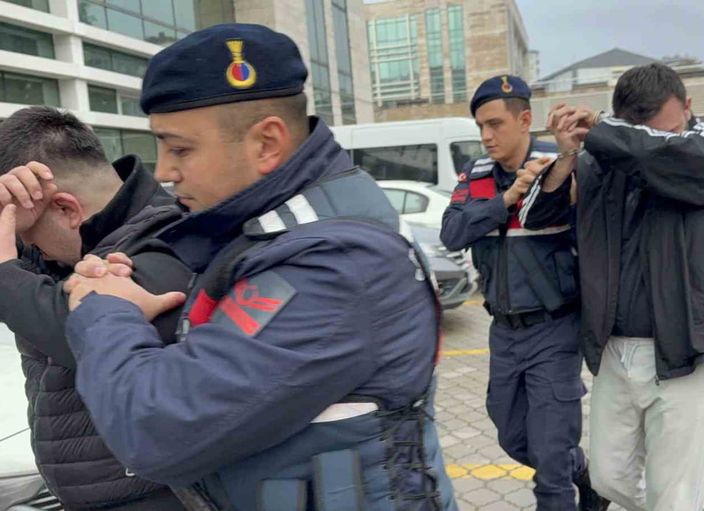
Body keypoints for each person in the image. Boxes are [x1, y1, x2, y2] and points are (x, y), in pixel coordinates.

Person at [59, 23, 457, 511]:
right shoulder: (275, 230)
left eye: (180, 148)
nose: (164, 171)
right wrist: (138, 305)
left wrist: (104, 310)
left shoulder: (336, 264)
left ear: (267, 143)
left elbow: (156, 429)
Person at [521, 63, 704, 511]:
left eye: (666, 129)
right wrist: (567, 157)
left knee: (674, 494)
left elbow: (653, 153)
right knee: (610, 478)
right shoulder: (603, 156)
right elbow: (537, 218)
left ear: (688, 106)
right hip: (615, 348)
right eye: (639, 129)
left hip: (686, 348)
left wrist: (603, 131)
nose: (654, 140)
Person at [0, 106, 190, 510]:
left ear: (66, 209)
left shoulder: (171, 238)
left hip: (158, 497)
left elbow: (87, 333)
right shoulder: (64, 249)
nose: (31, 249)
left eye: (31, 238)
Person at [440, 75, 607, 511]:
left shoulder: (560, 164)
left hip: (554, 329)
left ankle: (565, 478)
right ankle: (582, 472)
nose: (486, 135)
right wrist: (506, 199)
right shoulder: (475, 175)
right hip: (503, 332)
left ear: (525, 120)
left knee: (549, 469)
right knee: (513, 435)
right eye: (481, 126)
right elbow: (452, 233)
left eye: (495, 124)